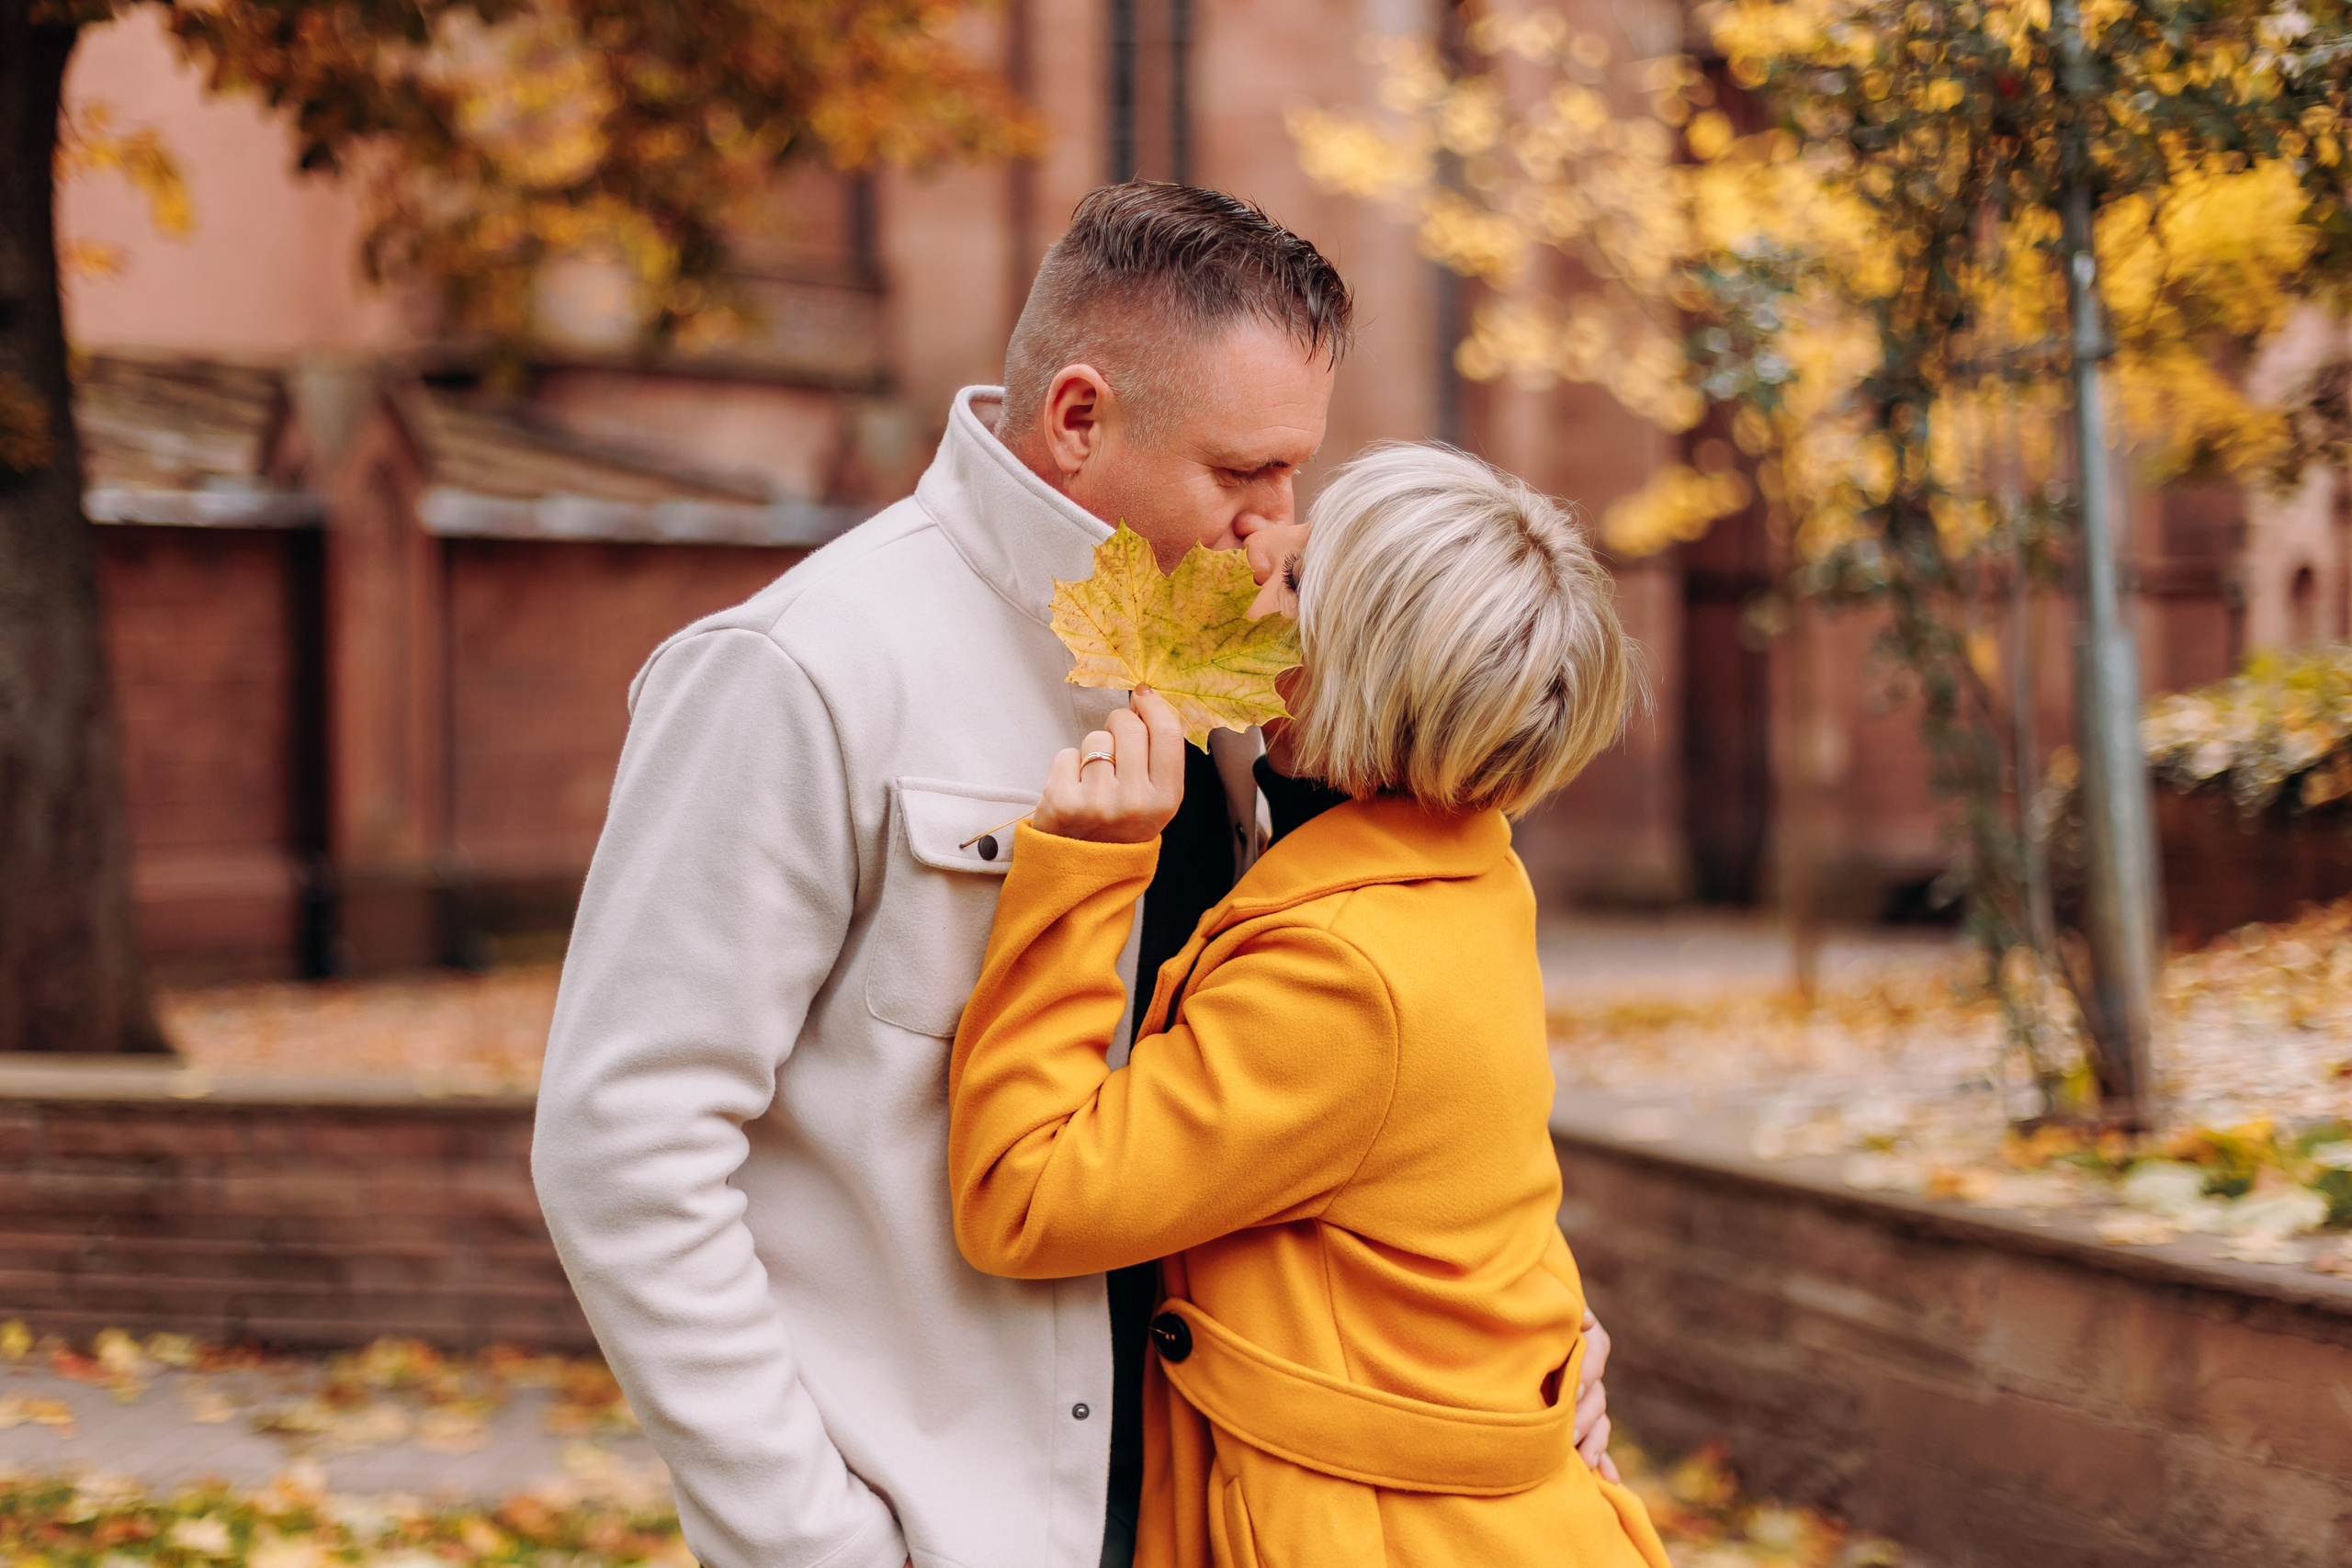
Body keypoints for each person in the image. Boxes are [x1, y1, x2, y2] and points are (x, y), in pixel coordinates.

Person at [533, 184, 1612, 1568]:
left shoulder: (1261, 688)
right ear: (1081, 417)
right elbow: (626, 1144)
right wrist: (808, 1540)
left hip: (1213, 1514)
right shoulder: (803, 668)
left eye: (1296, 474)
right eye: (1243, 473)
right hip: (944, 1527)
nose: (1275, 527)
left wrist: (1508, 1357)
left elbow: (1359, 1086)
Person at [947, 443, 1668, 1567]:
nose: (1260, 538)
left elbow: (1024, 1196)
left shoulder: (1341, 973)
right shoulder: (1469, 868)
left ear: (1339, 676)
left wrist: (1086, 870)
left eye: (1297, 574)